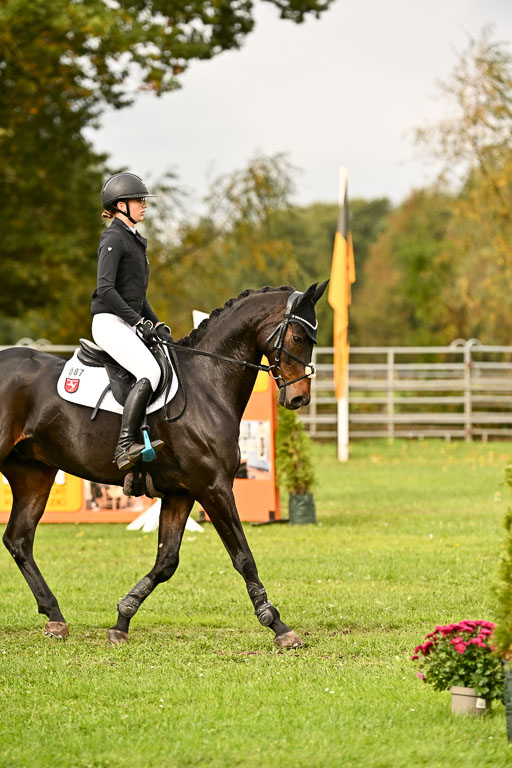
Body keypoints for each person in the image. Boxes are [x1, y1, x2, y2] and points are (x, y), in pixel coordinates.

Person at [91, 172, 172, 471]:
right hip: (109, 322)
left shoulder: (133, 240)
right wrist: (138, 323)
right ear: (121, 205)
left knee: (165, 360)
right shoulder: (113, 237)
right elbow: (106, 290)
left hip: (125, 320)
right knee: (150, 370)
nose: (144, 205)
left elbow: (136, 296)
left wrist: (155, 322)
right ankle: (124, 445)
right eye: (139, 200)